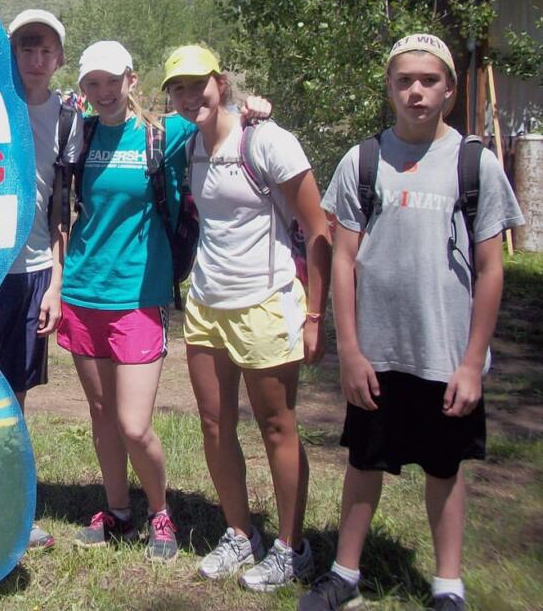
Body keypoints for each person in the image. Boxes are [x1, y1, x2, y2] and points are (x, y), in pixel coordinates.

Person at [299, 34, 523, 611]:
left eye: (428, 80)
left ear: (449, 88)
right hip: (377, 352)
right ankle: (344, 573)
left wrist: (473, 363)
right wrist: (348, 350)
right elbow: (342, 258)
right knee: (363, 460)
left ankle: (448, 585)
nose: (416, 91)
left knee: (444, 468)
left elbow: (492, 268)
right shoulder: (363, 160)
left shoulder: (476, 164)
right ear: (390, 88)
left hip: (447, 355)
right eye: (405, 81)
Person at [61, 41, 267, 561]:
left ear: (132, 81)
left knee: (134, 423)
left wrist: (253, 110)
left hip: (139, 294)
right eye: (93, 84)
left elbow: (217, 120)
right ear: (84, 90)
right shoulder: (77, 135)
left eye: (113, 81)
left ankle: (158, 511)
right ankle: (116, 510)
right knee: (102, 413)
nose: (104, 92)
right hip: (83, 291)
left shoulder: (163, 134)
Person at [162, 44, 330, 591]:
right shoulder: (186, 144)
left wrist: (315, 314)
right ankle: (240, 533)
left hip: (266, 302)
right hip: (206, 304)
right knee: (215, 424)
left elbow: (318, 227)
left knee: (277, 426)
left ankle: (291, 547)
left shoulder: (268, 139)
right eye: (178, 89)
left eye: (198, 85)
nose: (190, 97)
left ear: (221, 80)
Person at [0, 9, 82, 551]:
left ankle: (11, 510)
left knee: (15, 393)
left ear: (59, 58)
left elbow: (61, 208)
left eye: (46, 49)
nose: (37, 58)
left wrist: (55, 282)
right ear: (11, 52)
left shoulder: (68, 119)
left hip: (33, 272)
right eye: (26, 47)